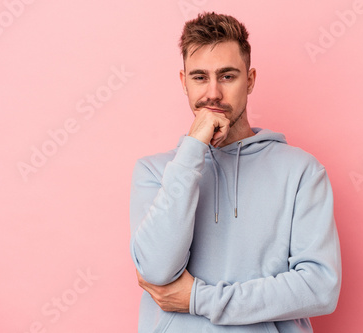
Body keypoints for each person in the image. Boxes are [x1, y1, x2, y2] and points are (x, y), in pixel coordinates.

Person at [129, 12, 341, 332]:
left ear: (250, 79)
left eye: (227, 76)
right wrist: (191, 153)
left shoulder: (301, 171)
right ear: (183, 82)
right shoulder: (155, 172)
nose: (213, 93)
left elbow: (320, 288)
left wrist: (199, 298)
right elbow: (157, 272)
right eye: (200, 77)